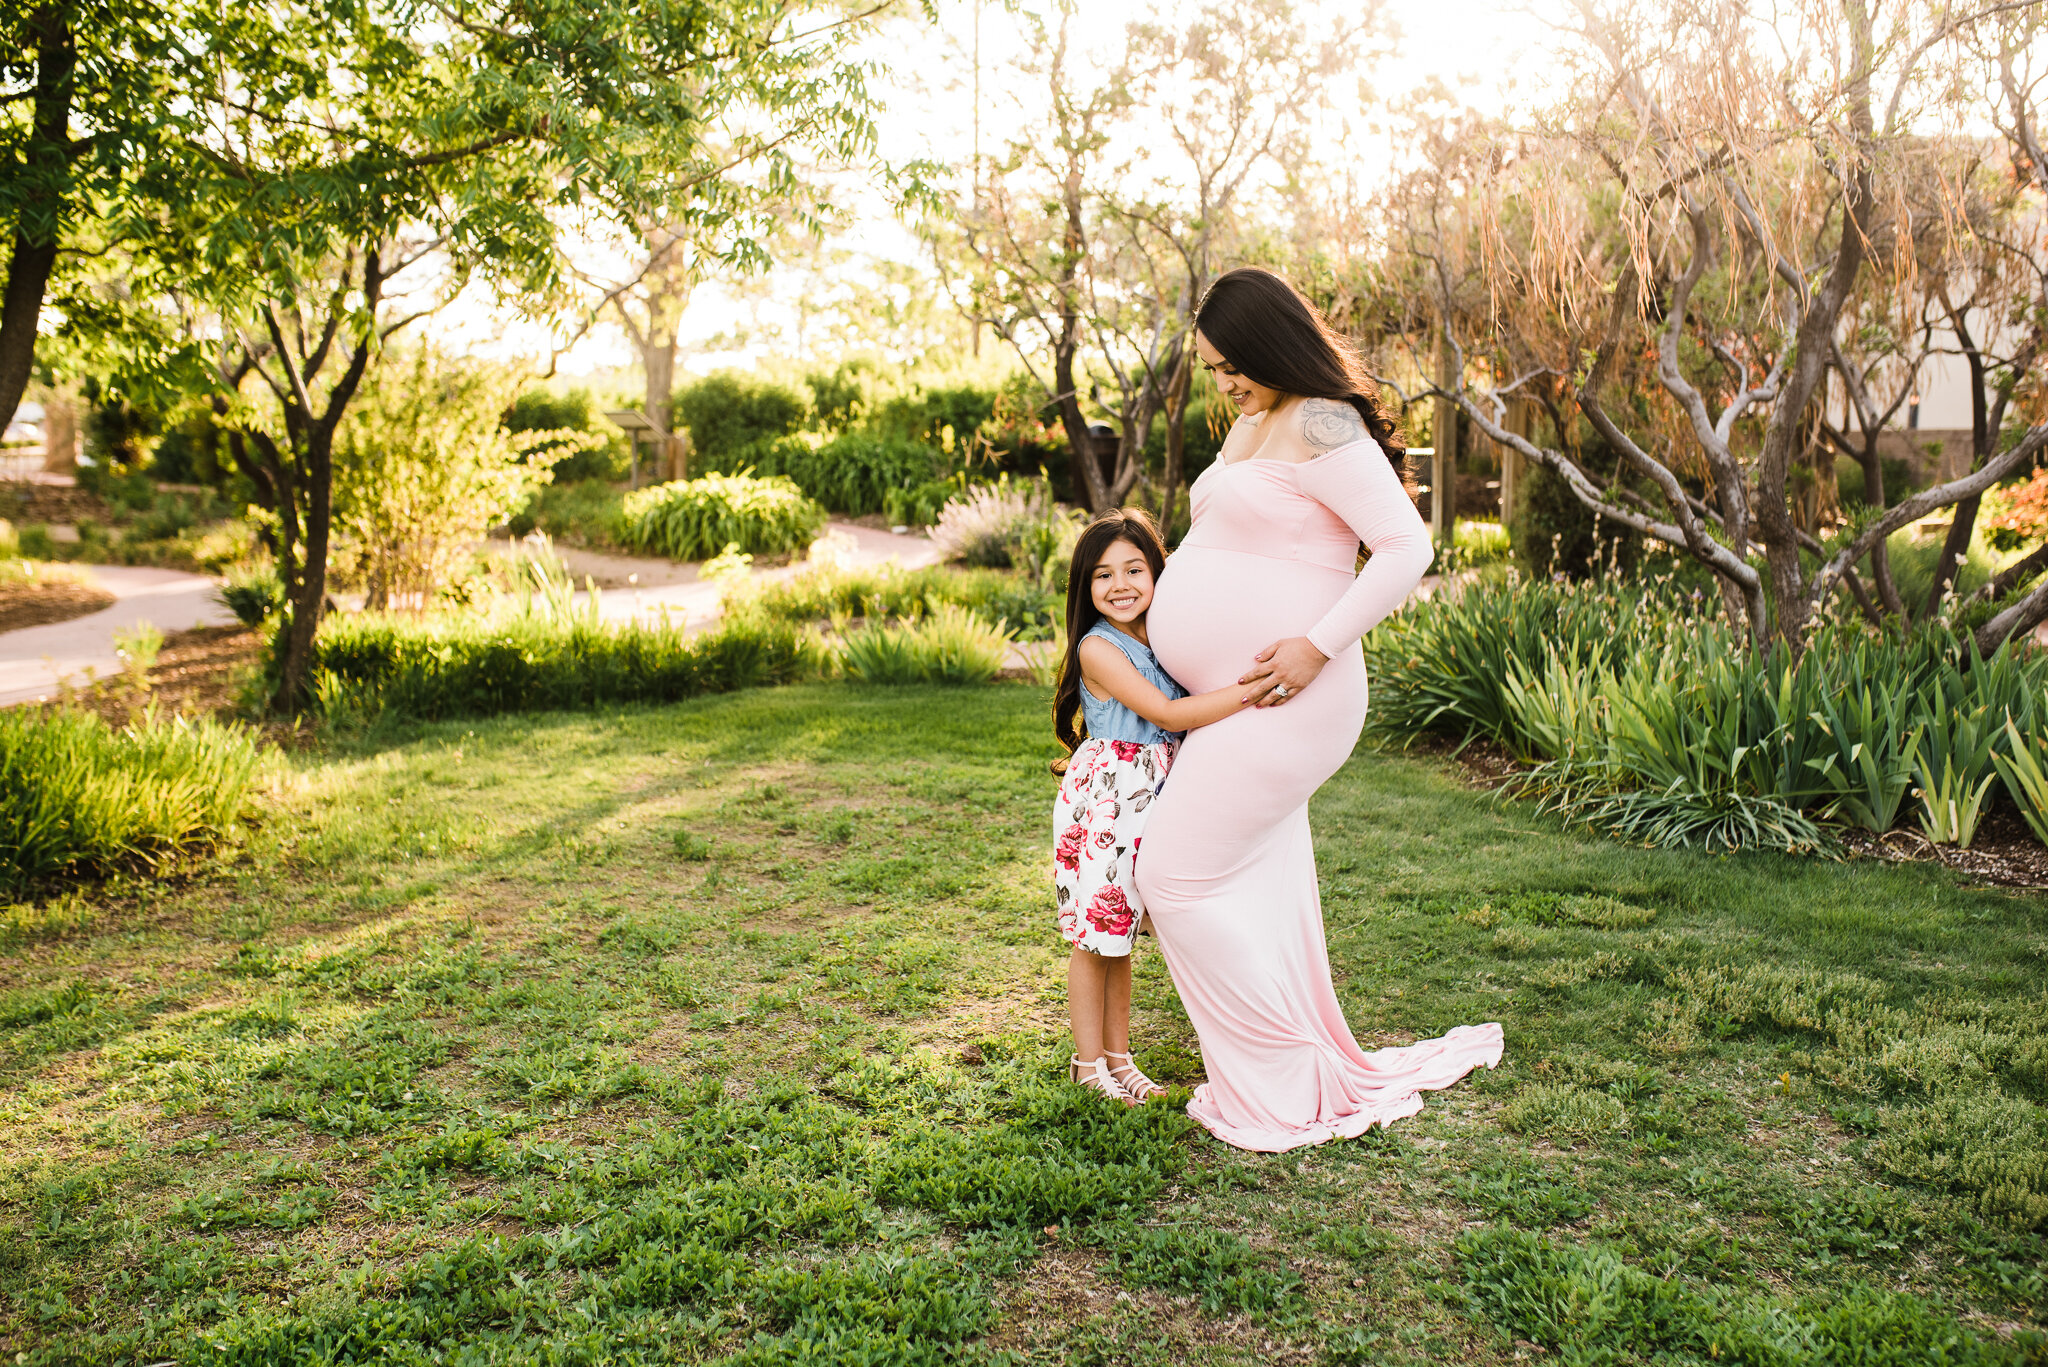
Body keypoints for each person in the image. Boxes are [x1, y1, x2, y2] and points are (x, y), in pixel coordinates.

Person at [1134, 267, 1504, 1151]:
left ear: (1269, 342)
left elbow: (1406, 547)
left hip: (1295, 694)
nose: (1223, 383)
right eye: (1214, 368)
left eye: (1232, 365)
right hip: (1229, 698)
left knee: (1170, 878)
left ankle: (1284, 1073)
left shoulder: (1324, 417)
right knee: (1253, 881)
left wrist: (1316, 642)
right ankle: (1283, 1060)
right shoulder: (1254, 420)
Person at [1050, 507, 1254, 1105]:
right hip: (1111, 798)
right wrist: (1249, 694)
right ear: (1086, 589)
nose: (1121, 585)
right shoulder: (1098, 648)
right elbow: (1165, 715)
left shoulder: (1162, 638)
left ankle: (1120, 1057)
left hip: (1154, 793)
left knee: (1123, 934)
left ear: (1158, 573)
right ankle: (1088, 1066)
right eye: (1103, 575)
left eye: (1134, 569)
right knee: (1096, 937)